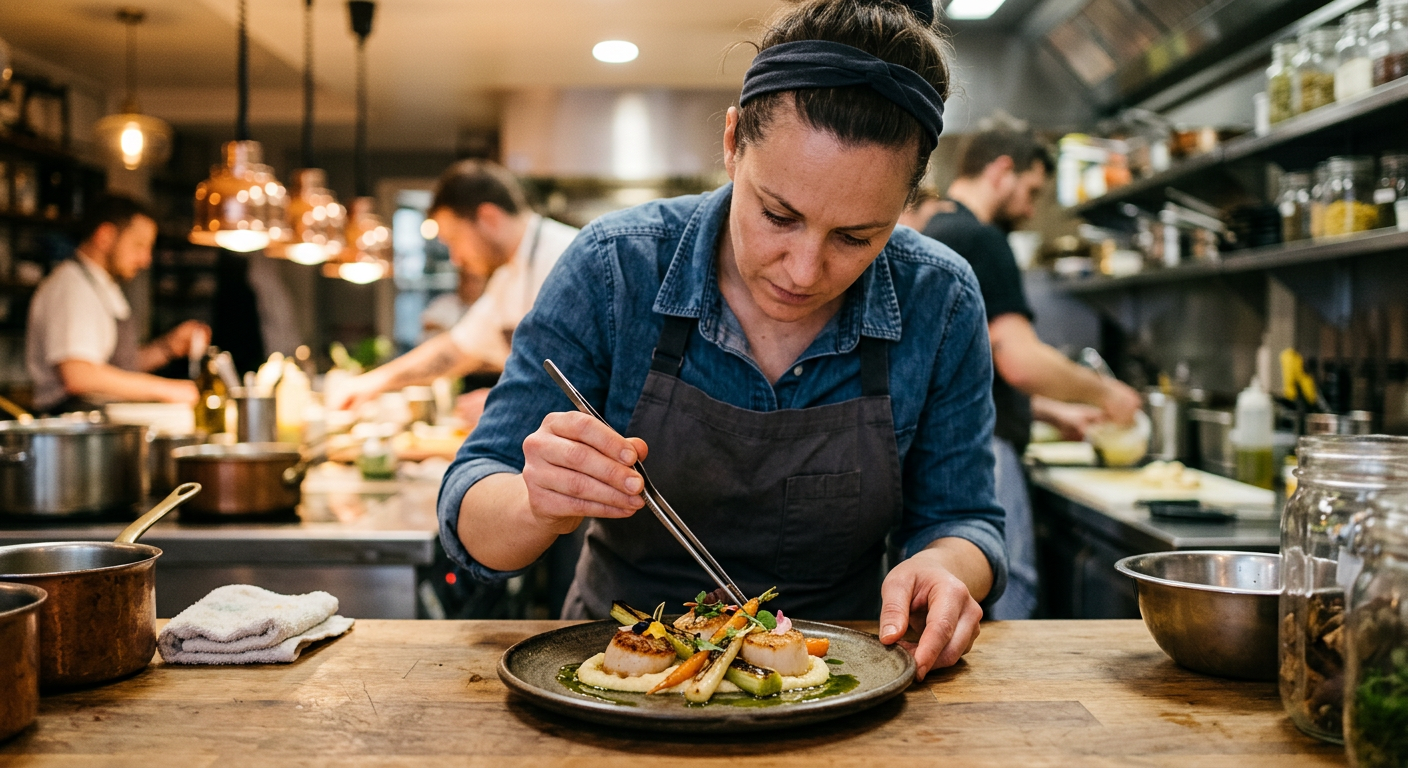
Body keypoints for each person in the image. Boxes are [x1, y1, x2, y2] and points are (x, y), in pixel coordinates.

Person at [440, 0, 1005, 679]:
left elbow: (965, 517)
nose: (803, 271)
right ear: (734, 142)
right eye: (778, 214)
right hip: (618, 678)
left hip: (843, 680)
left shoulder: (938, 296)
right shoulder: (614, 266)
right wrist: (537, 499)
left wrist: (945, 568)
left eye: (856, 237)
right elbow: (474, 512)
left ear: (910, 200)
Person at [921, 130, 1141, 620]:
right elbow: (1017, 359)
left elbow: (972, 370)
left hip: (940, 452)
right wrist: (1107, 394)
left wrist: (1051, 410)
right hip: (985, 452)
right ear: (1001, 170)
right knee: (1008, 597)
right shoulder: (982, 239)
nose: (1030, 208)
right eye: (1032, 191)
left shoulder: (936, 231)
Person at [335, 160, 578, 425]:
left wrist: (509, 401)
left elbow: (588, 376)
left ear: (488, 218)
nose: (455, 258)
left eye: (454, 239)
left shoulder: (567, 257)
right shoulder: (509, 275)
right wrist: (374, 381)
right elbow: (457, 350)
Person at [26, 194, 208, 413]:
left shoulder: (101, 285)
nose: (145, 260)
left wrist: (167, 347)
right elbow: (79, 375)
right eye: (139, 245)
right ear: (105, 236)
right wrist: (165, 389)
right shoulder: (72, 287)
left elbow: (115, 368)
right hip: (73, 430)